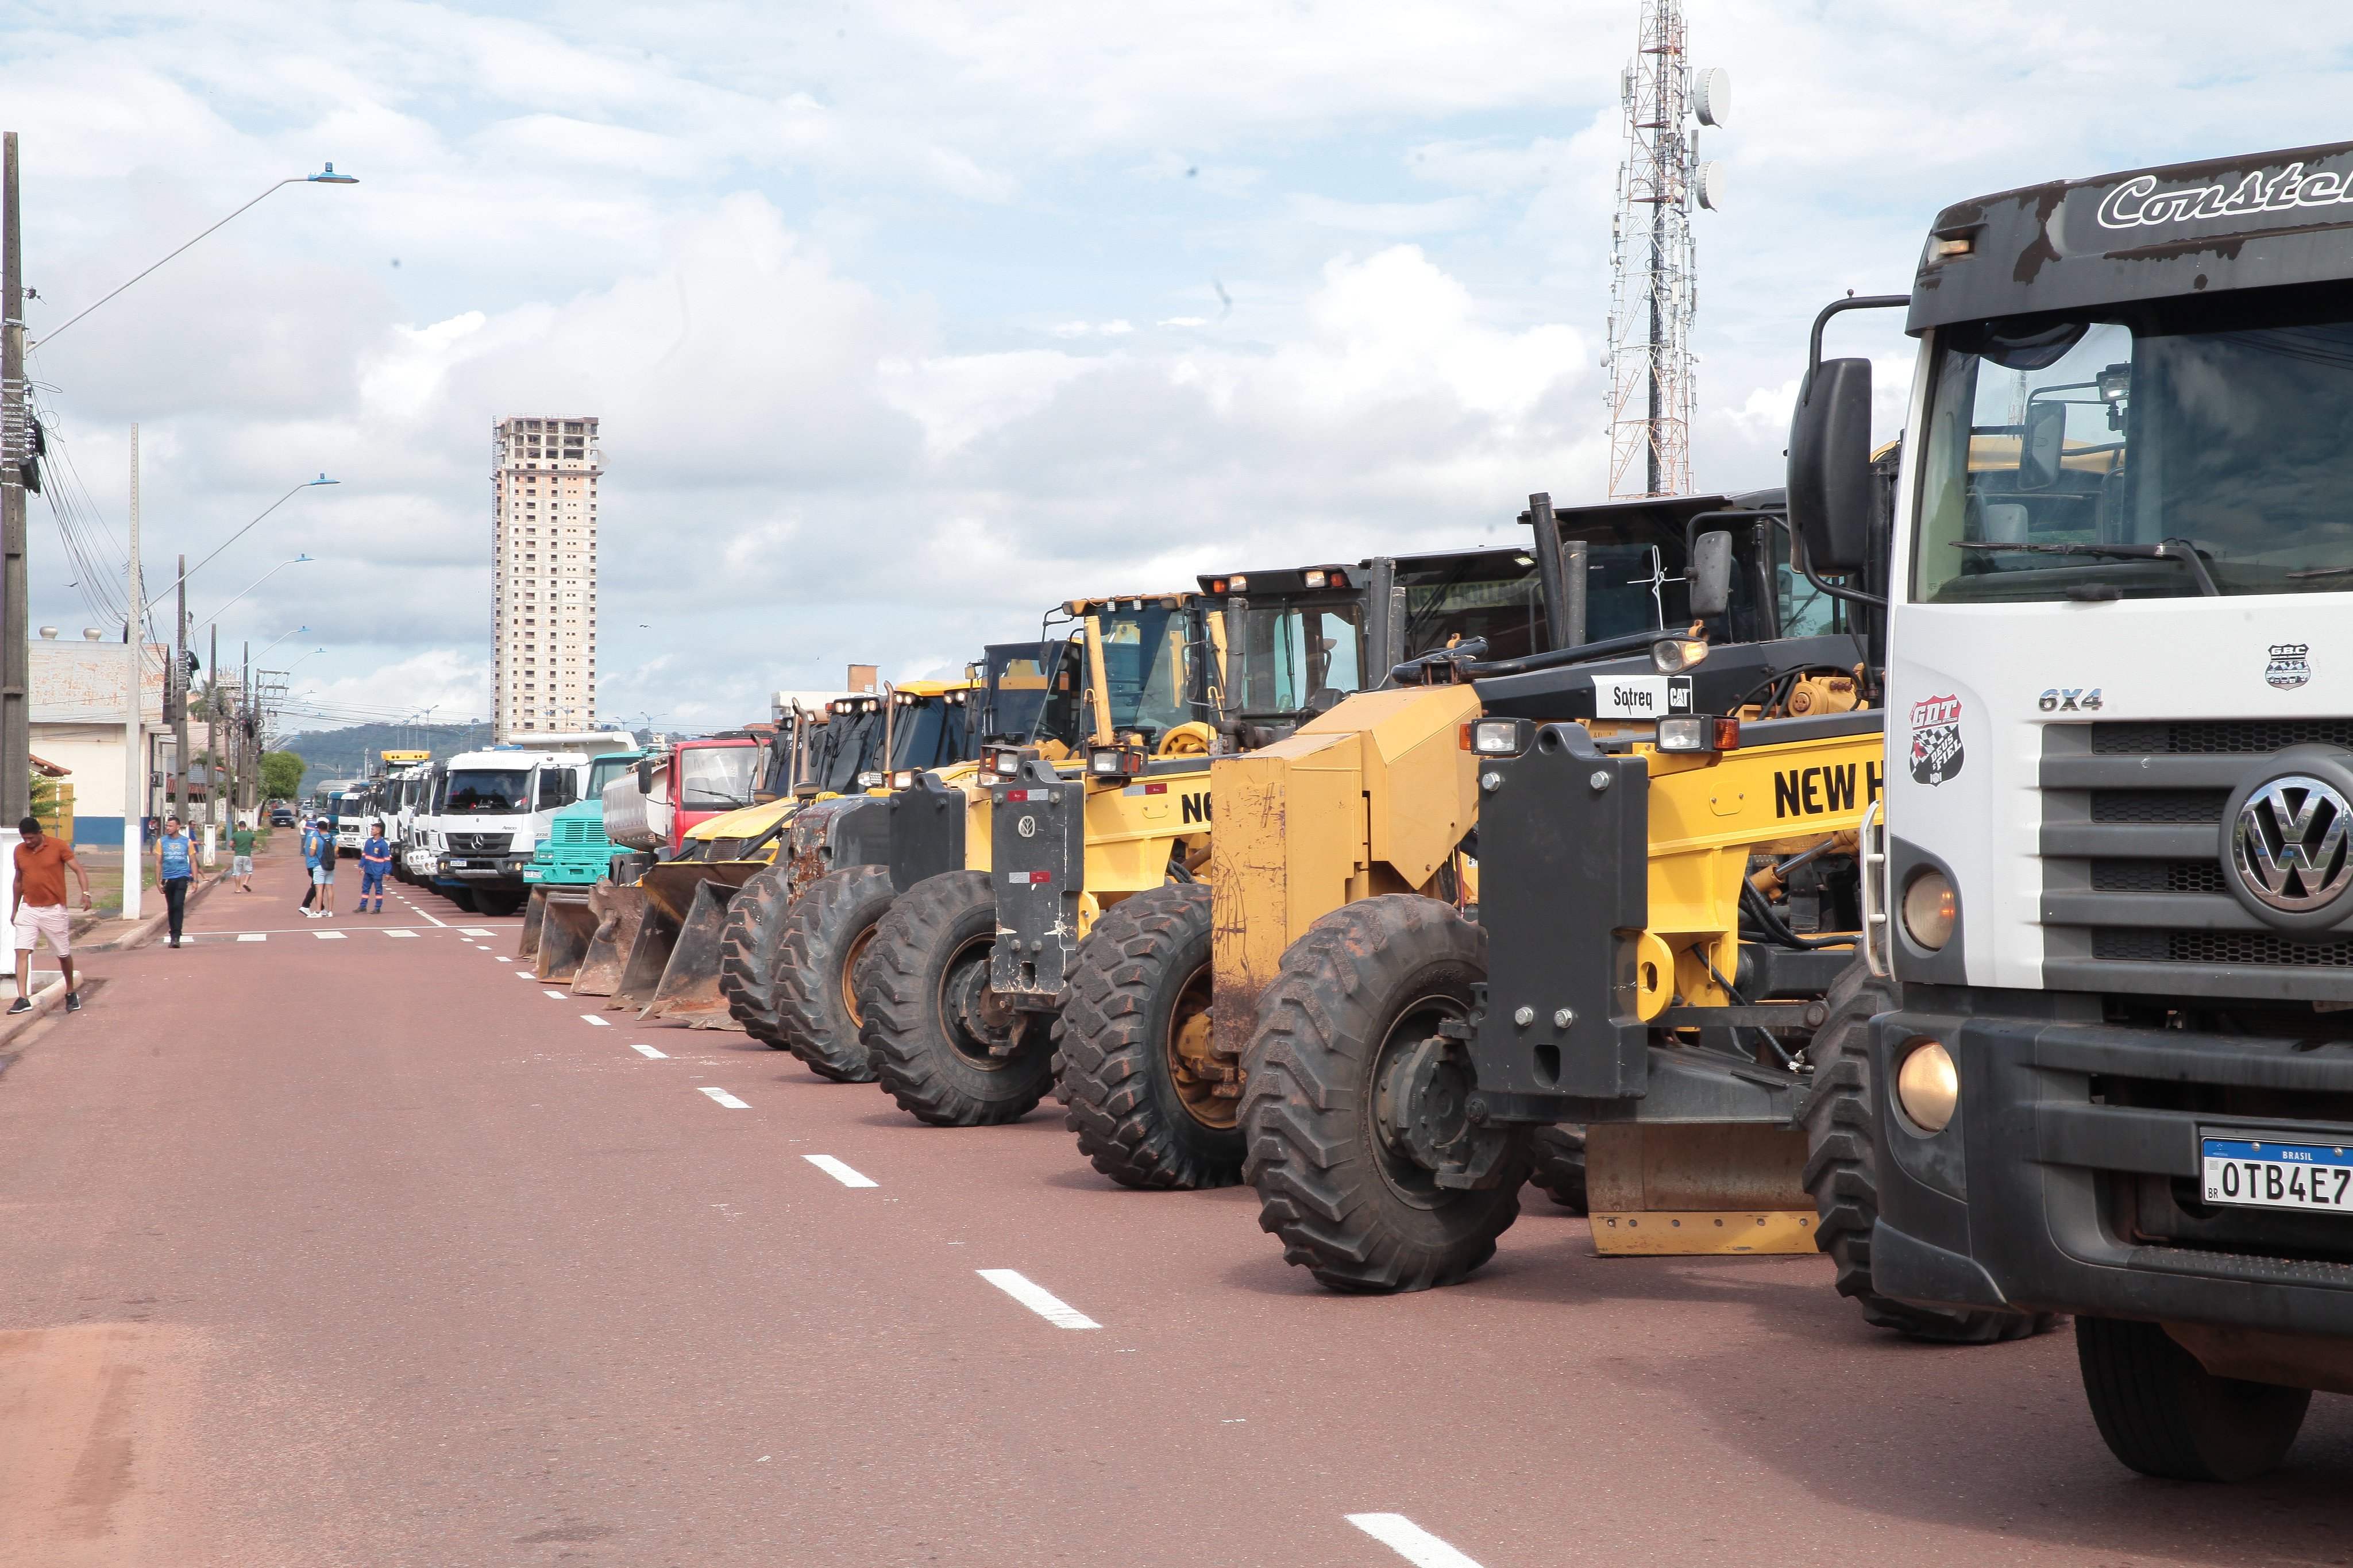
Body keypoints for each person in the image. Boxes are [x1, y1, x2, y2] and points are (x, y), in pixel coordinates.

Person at [11, 815, 91, 1014]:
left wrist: (85, 893)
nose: (28, 842)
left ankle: (71, 993)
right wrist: (15, 909)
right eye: (24, 839)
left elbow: (78, 870)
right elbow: (18, 881)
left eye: (31, 838)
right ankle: (22, 999)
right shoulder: (20, 851)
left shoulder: (58, 846)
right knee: (22, 951)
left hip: (54, 909)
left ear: (40, 833)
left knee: (63, 955)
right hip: (29, 908)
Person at [156, 814, 196, 948]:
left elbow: (193, 862)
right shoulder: (162, 842)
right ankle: (173, 932)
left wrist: (195, 880)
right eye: (167, 826)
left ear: (178, 827)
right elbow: (158, 862)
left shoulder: (187, 842)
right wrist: (158, 881)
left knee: (179, 905)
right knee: (171, 907)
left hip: (182, 876)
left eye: (171, 826)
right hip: (168, 878)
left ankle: (176, 936)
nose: (168, 828)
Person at [358, 820, 391, 914]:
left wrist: (388, 873)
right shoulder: (369, 842)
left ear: (378, 831)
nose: (371, 831)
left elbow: (387, 859)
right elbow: (365, 855)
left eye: (373, 829)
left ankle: (378, 907)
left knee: (378, 890)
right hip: (368, 870)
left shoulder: (383, 844)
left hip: (377, 871)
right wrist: (361, 866)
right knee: (365, 888)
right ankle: (363, 906)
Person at [308, 816, 338, 919]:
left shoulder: (316, 839)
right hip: (331, 866)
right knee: (330, 889)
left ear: (319, 829)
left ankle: (318, 911)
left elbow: (311, 854)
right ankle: (330, 911)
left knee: (319, 889)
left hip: (319, 866)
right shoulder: (334, 839)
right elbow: (336, 854)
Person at [230, 818, 257, 892]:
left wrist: (235, 847)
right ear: (245, 827)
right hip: (247, 855)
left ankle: (238, 889)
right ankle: (245, 882)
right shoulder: (251, 835)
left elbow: (231, 844)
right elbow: (255, 844)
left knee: (237, 873)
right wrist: (250, 847)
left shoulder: (235, 834)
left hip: (238, 855)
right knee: (249, 871)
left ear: (239, 827)